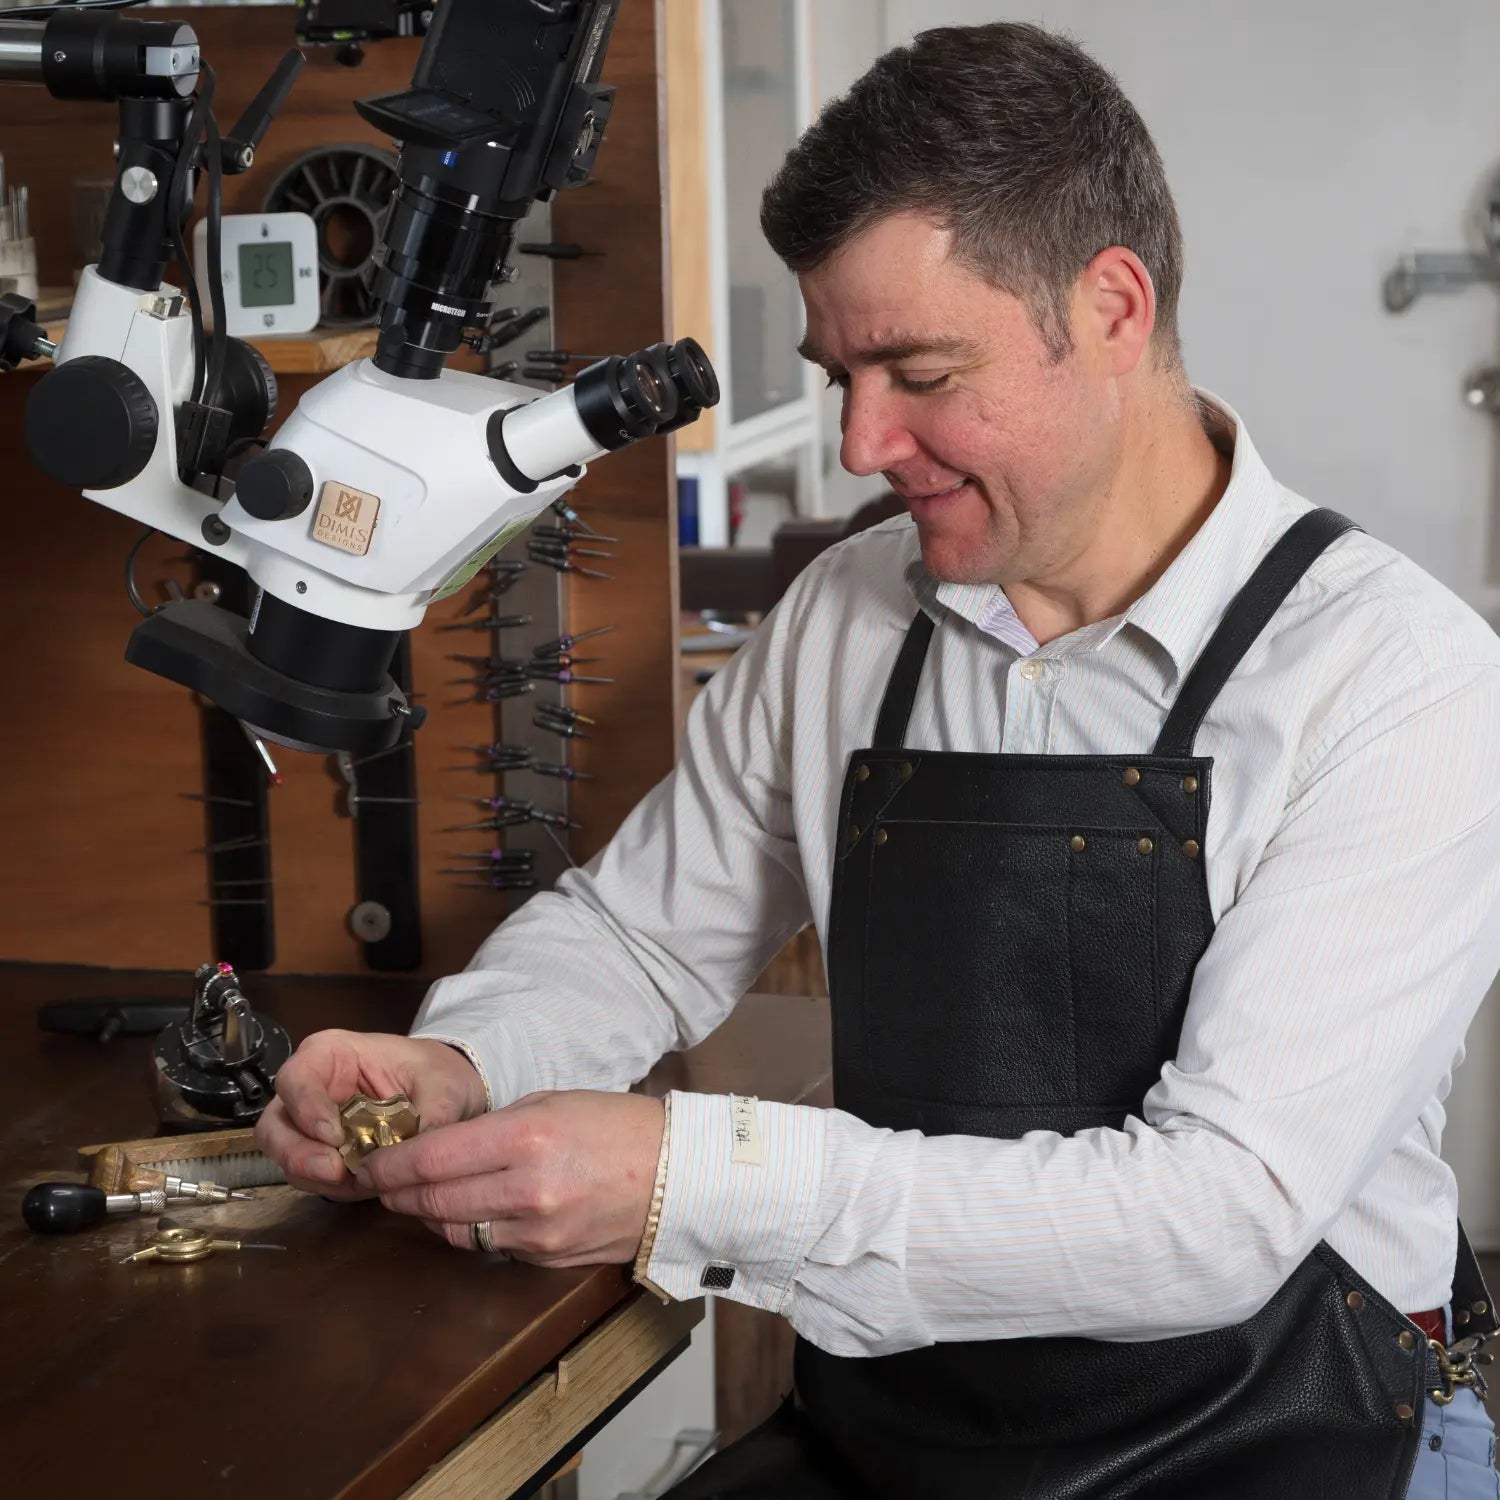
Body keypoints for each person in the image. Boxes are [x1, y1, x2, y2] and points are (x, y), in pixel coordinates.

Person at [257, 22, 1500, 1499]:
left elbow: (1216, 1218)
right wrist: (466, 1062)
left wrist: (681, 1177)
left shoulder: (1402, 680)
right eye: (840, 372)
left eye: (918, 370)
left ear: (1112, 306)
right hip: (914, 1426)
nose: (860, 443)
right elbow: (637, 934)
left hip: (1299, 1427)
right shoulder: (849, 613)